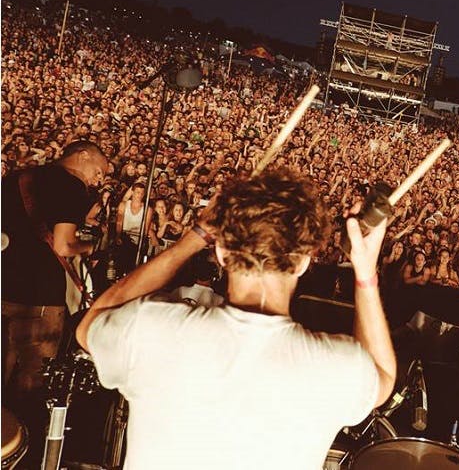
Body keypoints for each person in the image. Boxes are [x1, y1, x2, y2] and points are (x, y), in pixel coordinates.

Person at [76, 168, 396, 469]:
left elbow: (92, 324)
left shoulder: (150, 327)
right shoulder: (337, 365)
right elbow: (382, 374)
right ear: (302, 263)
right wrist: (366, 272)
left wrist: (195, 236)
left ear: (221, 253)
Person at [2, 140, 108, 396]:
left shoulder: (18, 177)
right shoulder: (71, 186)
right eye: (99, 171)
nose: (98, 180)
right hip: (40, 296)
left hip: (4, 284)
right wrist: (91, 247)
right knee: (33, 373)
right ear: (83, 156)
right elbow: (64, 245)